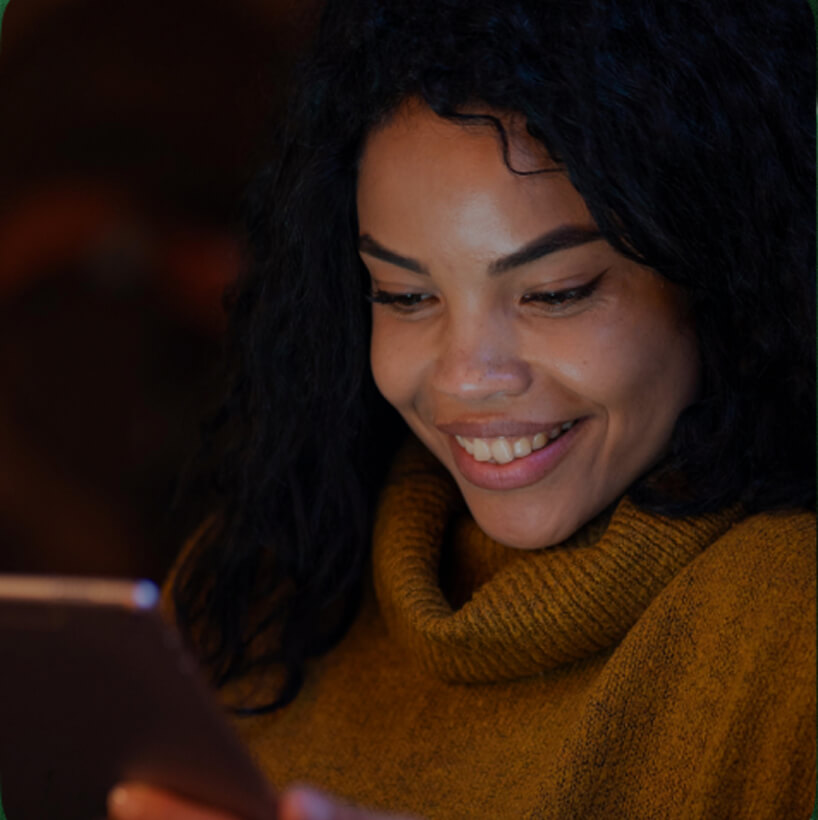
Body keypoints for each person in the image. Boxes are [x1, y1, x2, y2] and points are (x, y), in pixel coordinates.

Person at [106, 0, 816, 818]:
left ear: (719, 281)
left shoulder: (789, 626)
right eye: (406, 296)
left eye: (556, 293)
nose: (467, 378)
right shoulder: (257, 592)